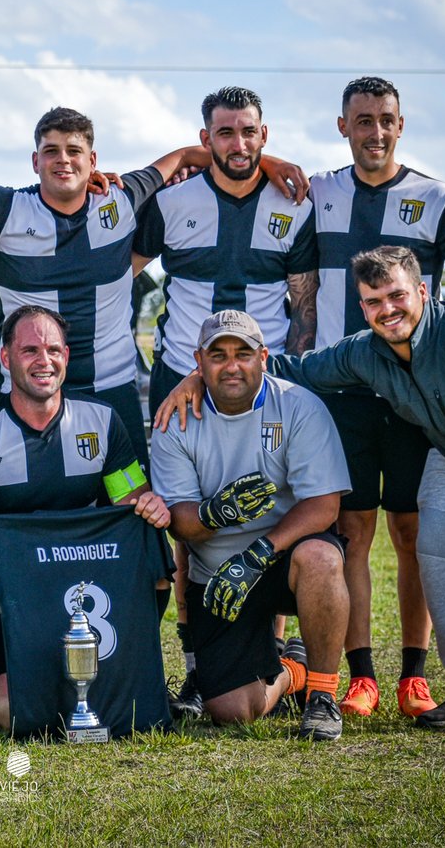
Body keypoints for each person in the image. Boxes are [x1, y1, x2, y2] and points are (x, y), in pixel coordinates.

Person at [161, 245, 445, 733]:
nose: (387, 309)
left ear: (422, 291)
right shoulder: (365, 351)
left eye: (397, 295)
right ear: (362, 308)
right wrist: (199, 376)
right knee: (436, 551)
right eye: (373, 301)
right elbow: (288, 368)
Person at [0, 106, 309, 466]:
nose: (63, 160)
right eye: (51, 151)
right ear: (35, 161)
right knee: (20, 504)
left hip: (111, 391)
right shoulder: (3, 207)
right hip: (25, 393)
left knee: (130, 500)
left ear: (92, 161)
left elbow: (187, 156)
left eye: (74, 150)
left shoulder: (121, 198)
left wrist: (266, 162)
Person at [304, 76, 445, 720]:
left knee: (412, 531)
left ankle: (414, 675)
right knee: (352, 531)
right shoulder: (318, 193)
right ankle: (362, 676)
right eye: (363, 120)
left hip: (414, 396)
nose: (376, 132)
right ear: (343, 127)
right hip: (343, 393)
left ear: (401, 124)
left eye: (386, 119)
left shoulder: (437, 198)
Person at [133, 85, 319, 715]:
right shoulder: (172, 201)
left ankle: (277, 654)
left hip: (263, 380)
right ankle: (195, 668)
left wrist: (287, 380)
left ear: (265, 135)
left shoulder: (292, 202)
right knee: (188, 525)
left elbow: (304, 308)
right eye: (224, 132)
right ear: (204, 137)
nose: (238, 144)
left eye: (248, 132)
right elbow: (117, 277)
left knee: (269, 503)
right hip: (179, 383)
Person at [0, 305, 170, 730]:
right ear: (5, 358)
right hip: (10, 598)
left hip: (80, 586)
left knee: (152, 544)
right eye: (29, 350)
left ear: (66, 355)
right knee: (11, 712)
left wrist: (149, 507)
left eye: (52, 350)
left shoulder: (102, 422)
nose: (43, 361)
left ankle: (123, 663)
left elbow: (132, 505)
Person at [151, 310, 351, 742]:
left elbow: (324, 504)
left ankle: (322, 696)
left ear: (263, 357)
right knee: (232, 710)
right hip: (219, 576)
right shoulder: (175, 418)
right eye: (218, 355)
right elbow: (178, 522)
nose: (231, 365)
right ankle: (293, 671)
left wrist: (260, 552)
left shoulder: (299, 406)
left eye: (243, 354)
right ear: (198, 362)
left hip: (283, 560)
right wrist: (213, 514)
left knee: (321, 556)